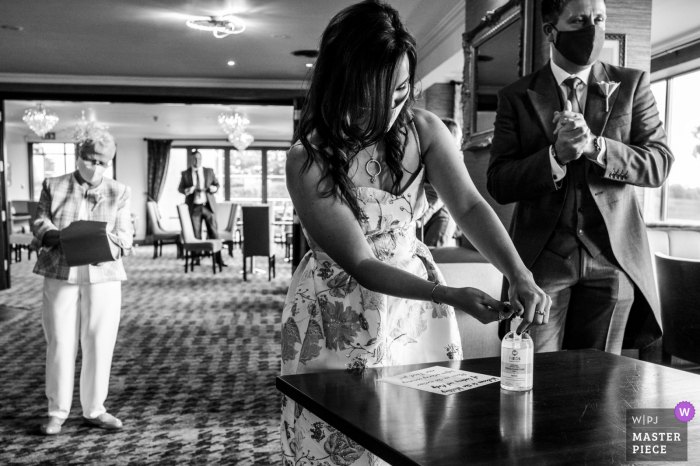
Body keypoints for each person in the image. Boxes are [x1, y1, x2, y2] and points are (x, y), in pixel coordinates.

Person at [280, 1, 550, 464]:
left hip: (417, 313)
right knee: (340, 439)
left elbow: (467, 204)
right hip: (337, 310)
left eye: (401, 91)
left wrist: (519, 272)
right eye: (372, 96)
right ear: (340, 84)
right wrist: (446, 294)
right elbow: (363, 265)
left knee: (418, 437)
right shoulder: (308, 159)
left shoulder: (424, 130)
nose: (388, 110)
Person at [487, 0, 673, 354]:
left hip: (612, 262)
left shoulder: (632, 85)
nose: (593, 29)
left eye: (599, 19)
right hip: (542, 264)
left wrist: (596, 147)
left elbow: (659, 163)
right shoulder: (515, 97)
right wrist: (555, 157)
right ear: (551, 31)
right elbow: (498, 182)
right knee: (534, 379)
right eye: (580, 20)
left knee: (599, 388)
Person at [32, 128, 133, 435]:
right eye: (90, 159)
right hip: (61, 270)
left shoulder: (120, 190)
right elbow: (40, 222)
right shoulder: (54, 184)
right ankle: (57, 412)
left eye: (103, 162)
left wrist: (110, 244)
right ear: (79, 155)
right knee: (60, 342)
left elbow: (126, 235)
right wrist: (59, 236)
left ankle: (95, 409)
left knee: (100, 342)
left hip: (103, 274)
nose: (95, 166)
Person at [177, 150, 226, 266]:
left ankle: (218, 259)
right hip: (194, 208)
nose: (197, 161)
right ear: (191, 160)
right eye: (194, 159)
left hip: (208, 207)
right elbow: (180, 188)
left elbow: (217, 185)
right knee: (196, 234)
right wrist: (187, 190)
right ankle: (196, 259)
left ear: (201, 159)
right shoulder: (185, 173)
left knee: (214, 233)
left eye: (199, 158)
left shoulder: (209, 171)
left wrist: (213, 189)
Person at [419, 118, 459, 247]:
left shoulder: (447, 162)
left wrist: (416, 221)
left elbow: (436, 194)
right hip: (430, 213)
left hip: (439, 217)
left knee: (433, 257)